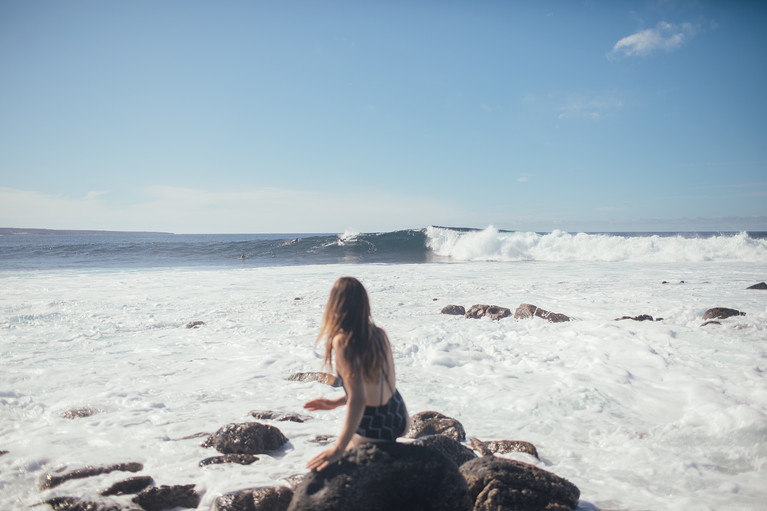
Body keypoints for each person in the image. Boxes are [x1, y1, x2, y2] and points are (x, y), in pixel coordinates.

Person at [304, 277, 409, 472]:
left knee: (329, 469)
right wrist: (336, 403)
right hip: (398, 415)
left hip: (375, 424)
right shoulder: (379, 334)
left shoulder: (342, 341)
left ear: (335, 305)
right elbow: (375, 385)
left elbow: (359, 400)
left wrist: (338, 449)